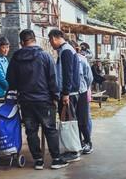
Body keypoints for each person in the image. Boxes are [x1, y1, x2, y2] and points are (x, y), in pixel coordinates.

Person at [6, 29, 68, 170]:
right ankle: (56, 159)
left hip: (26, 101)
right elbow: (53, 79)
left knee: (31, 131)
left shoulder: (15, 58)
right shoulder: (45, 56)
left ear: (22, 42)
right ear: (34, 39)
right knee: (50, 129)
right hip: (44, 100)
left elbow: (11, 80)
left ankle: (38, 160)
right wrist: (55, 97)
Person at [48, 30, 81, 163]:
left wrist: (65, 93)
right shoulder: (66, 50)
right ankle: (72, 148)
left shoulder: (66, 50)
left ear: (55, 38)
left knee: (68, 122)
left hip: (69, 93)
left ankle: (73, 151)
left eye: (50, 41)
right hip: (69, 92)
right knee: (69, 121)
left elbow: (68, 73)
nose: (51, 44)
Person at [75, 41, 94, 155]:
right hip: (80, 91)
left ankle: (87, 140)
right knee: (78, 119)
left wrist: (85, 87)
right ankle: (80, 141)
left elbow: (89, 77)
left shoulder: (83, 59)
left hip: (83, 91)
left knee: (85, 118)